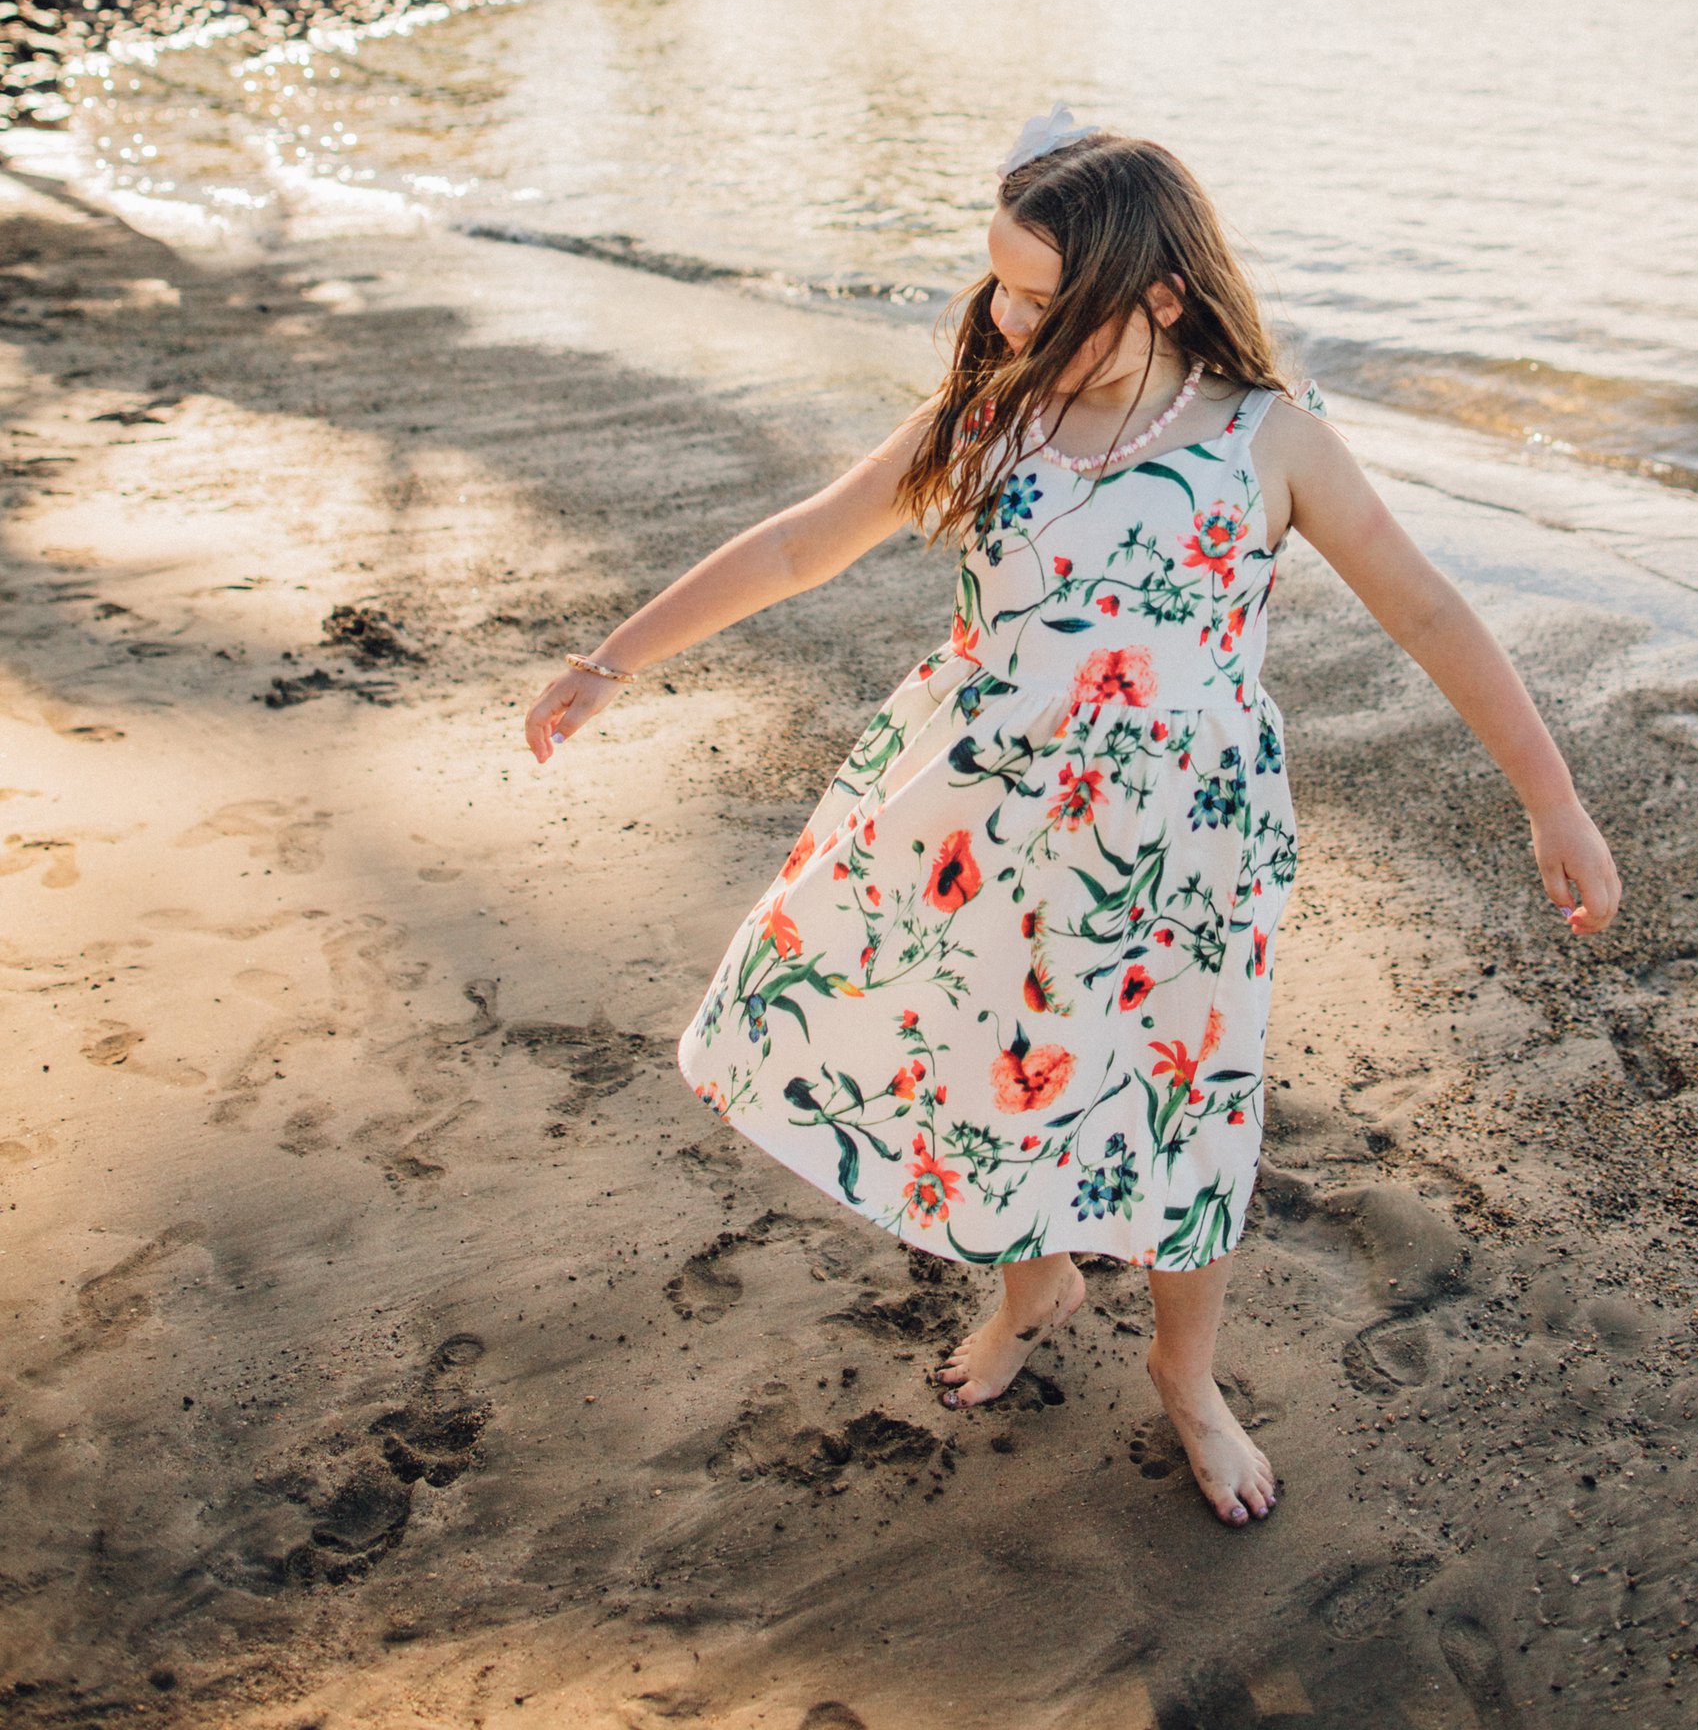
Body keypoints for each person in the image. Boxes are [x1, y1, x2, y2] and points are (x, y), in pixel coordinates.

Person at [524, 115, 1621, 1526]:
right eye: (1001, 282)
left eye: (1042, 297)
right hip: (983, 823)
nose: (1004, 315)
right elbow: (803, 543)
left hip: (1184, 846)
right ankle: (1030, 1287)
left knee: (1186, 1104)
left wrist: (1553, 799)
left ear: (1160, 293)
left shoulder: (1267, 439)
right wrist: (614, 658)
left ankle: (1187, 1374)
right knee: (992, 1066)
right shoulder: (993, 420)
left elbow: (1428, 611)